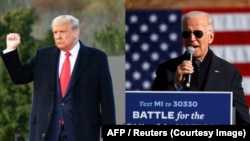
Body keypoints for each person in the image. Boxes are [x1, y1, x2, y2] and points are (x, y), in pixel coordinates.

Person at [1, 15, 116, 141]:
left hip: (83, 131)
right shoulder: (43, 56)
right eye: (55, 32)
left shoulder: (97, 58)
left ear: (75, 33)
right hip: (46, 130)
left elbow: (107, 100)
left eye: (62, 32)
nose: (57, 36)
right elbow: (19, 77)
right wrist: (11, 49)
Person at [151, 11, 250, 125]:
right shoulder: (166, 69)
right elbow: (153, 112)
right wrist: (175, 84)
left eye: (198, 33)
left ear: (210, 37)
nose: (192, 39)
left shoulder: (229, 72)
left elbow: (243, 121)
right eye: (186, 34)